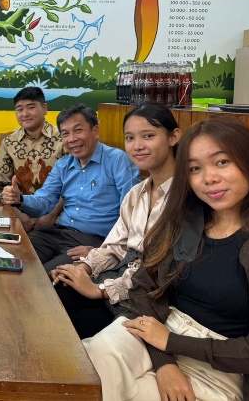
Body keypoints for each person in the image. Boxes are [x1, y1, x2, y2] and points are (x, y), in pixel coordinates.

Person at [83, 118, 249, 401]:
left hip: (222, 366)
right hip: (159, 330)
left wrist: (173, 343)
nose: (209, 178)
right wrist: (164, 361)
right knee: (95, 358)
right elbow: (142, 288)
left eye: (222, 162)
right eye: (195, 168)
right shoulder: (184, 223)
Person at [51, 102, 180, 339]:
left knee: (64, 328)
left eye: (148, 136)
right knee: (55, 291)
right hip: (119, 278)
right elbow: (115, 245)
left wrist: (99, 289)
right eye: (130, 138)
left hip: (148, 298)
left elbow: (157, 272)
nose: (137, 146)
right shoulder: (137, 193)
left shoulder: (184, 198)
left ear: (173, 137)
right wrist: (84, 268)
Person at [2, 103, 140, 272]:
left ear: (95, 131)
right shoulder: (63, 165)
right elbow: (44, 201)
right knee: (8, 260)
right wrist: (20, 199)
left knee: (45, 277)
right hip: (56, 233)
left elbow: (133, 214)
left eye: (78, 130)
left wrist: (104, 250)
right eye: (65, 134)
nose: (72, 139)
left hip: (92, 240)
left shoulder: (118, 161)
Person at [0, 87, 64, 231]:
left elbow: (71, 184)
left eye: (31, 107)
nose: (25, 114)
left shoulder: (63, 139)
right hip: (20, 212)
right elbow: (2, 183)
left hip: (57, 215)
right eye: (19, 109)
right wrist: (18, 213)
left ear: (44, 108)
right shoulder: (9, 142)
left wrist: (51, 214)